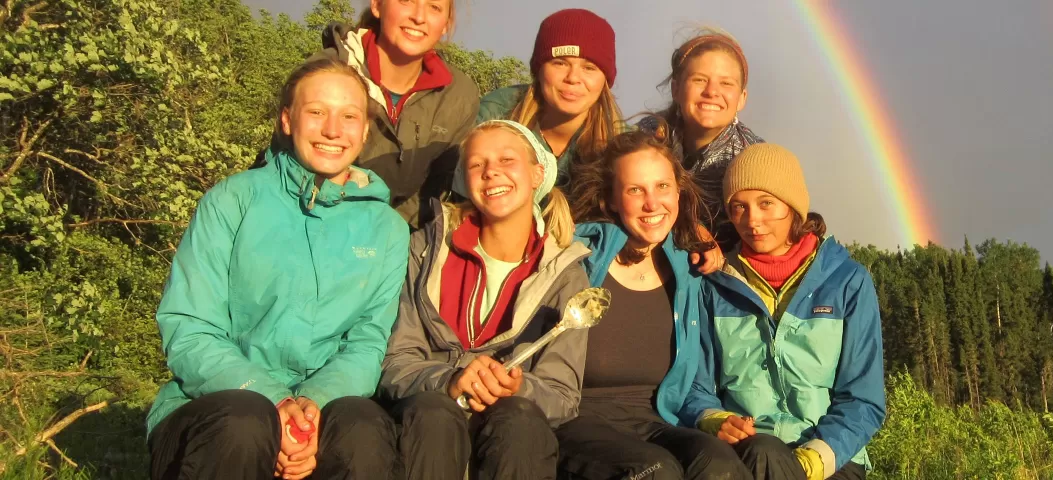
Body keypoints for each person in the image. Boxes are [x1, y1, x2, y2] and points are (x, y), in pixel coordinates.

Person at [147, 58, 409, 480]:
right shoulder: (233, 200)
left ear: (364, 130)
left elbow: (367, 341)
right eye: (316, 112)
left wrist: (313, 406)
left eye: (348, 116)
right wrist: (273, 401)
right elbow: (190, 327)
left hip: (322, 411)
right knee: (247, 421)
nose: (332, 130)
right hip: (221, 409)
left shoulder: (388, 230)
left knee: (363, 427)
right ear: (288, 120)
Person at [378, 120, 590, 480]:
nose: (492, 172)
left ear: (538, 174)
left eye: (507, 160)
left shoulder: (565, 274)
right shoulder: (424, 248)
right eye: (477, 164)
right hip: (427, 426)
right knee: (433, 411)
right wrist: (450, 380)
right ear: (465, 180)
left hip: (511, 438)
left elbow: (562, 396)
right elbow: (396, 360)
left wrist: (517, 386)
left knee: (518, 418)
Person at [554, 130, 751, 479]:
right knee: (655, 471)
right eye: (635, 190)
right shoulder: (577, 256)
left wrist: (713, 417)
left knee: (720, 465)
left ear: (678, 191)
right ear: (612, 200)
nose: (652, 203)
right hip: (577, 421)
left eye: (662, 187)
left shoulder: (690, 273)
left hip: (658, 421)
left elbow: (693, 380)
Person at [682, 144, 886, 480]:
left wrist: (815, 459)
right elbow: (694, 385)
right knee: (764, 450)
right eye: (739, 207)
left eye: (766, 204)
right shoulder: (712, 285)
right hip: (748, 454)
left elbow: (863, 400)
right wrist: (713, 419)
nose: (753, 221)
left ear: (794, 208)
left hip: (832, 458)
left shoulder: (848, 281)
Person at [265, 0, 480, 227]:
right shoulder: (323, 74)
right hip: (303, 224)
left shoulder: (459, 96)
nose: (419, 17)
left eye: (434, 7)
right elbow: (283, 168)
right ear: (377, 5)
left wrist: (382, 240)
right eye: (406, 1)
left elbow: (432, 196)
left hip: (395, 242)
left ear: (446, 23)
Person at [637, 29, 763, 249]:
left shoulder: (755, 159)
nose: (712, 92)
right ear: (676, 89)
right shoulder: (645, 137)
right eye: (700, 80)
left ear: (742, 98)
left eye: (726, 83)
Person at [476, 8, 625, 188]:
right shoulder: (494, 116)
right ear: (539, 70)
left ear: (605, 81)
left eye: (589, 68)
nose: (573, 78)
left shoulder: (621, 142)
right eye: (560, 63)